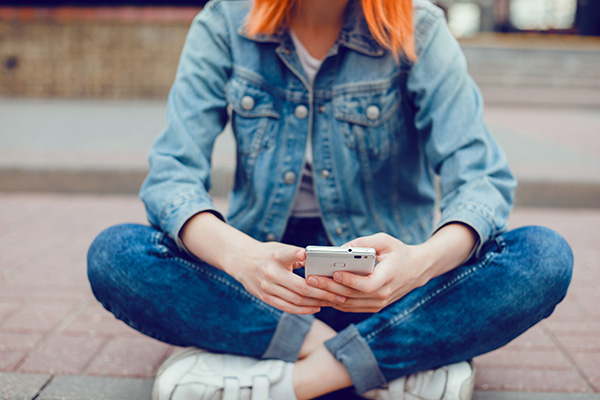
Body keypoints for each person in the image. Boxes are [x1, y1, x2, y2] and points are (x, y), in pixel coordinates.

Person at [87, 0, 574, 399]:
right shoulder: (224, 24)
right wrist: (240, 256)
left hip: (384, 284)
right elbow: (172, 175)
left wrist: (419, 264)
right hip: (268, 284)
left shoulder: (419, 29)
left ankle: (294, 380)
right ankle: (387, 365)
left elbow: (481, 179)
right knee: (117, 254)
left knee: (542, 257)